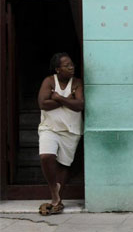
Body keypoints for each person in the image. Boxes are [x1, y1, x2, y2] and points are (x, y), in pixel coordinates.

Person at [37, 53, 84, 215]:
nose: (71, 67)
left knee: (64, 165)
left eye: (72, 64)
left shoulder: (77, 82)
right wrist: (66, 99)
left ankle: (56, 200)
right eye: (67, 65)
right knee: (46, 156)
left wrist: (56, 98)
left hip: (71, 130)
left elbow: (79, 105)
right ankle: (53, 189)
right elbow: (43, 104)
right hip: (49, 127)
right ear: (58, 69)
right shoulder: (49, 81)